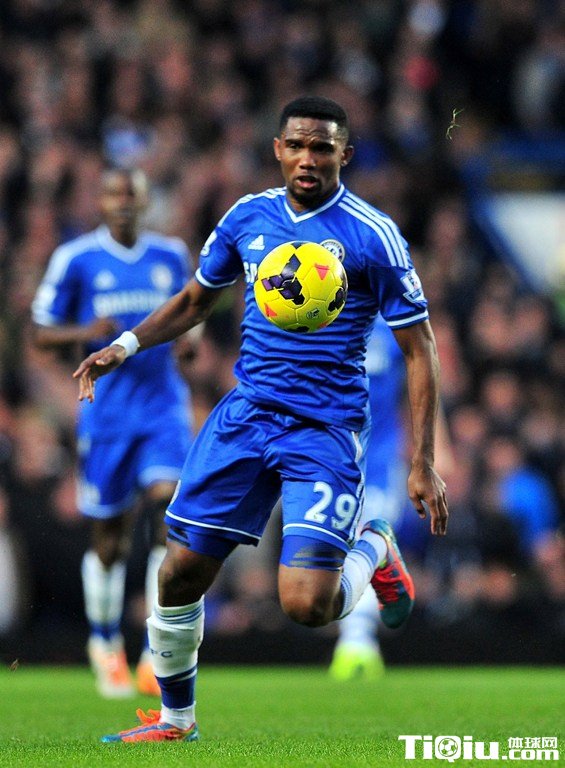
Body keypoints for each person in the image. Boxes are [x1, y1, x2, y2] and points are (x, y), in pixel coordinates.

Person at [73, 96, 448, 742]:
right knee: (178, 572)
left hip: (324, 431)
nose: (308, 159)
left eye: (322, 147)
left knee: (307, 605)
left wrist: (422, 462)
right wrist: (125, 345)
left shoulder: (373, 234)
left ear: (344, 154)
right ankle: (176, 720)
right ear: (278, 149)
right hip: (246, 417)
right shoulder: (247, 217)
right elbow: (196, 299)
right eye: (296, 145)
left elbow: (420, 349)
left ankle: (375, 548)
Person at [31, 167, 193, 698]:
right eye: (114, 194)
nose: (123, 202)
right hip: (105, 416)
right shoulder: (76, 258)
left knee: (168, 510)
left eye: (132, 194)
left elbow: (188, 314)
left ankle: (155, 647)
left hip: (163, 409)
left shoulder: (170, 255)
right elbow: (39, 333)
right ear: (100, 202)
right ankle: (104, 641)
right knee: (109, 538)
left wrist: (190, 342)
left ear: (145, 202)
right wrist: (86, 332)